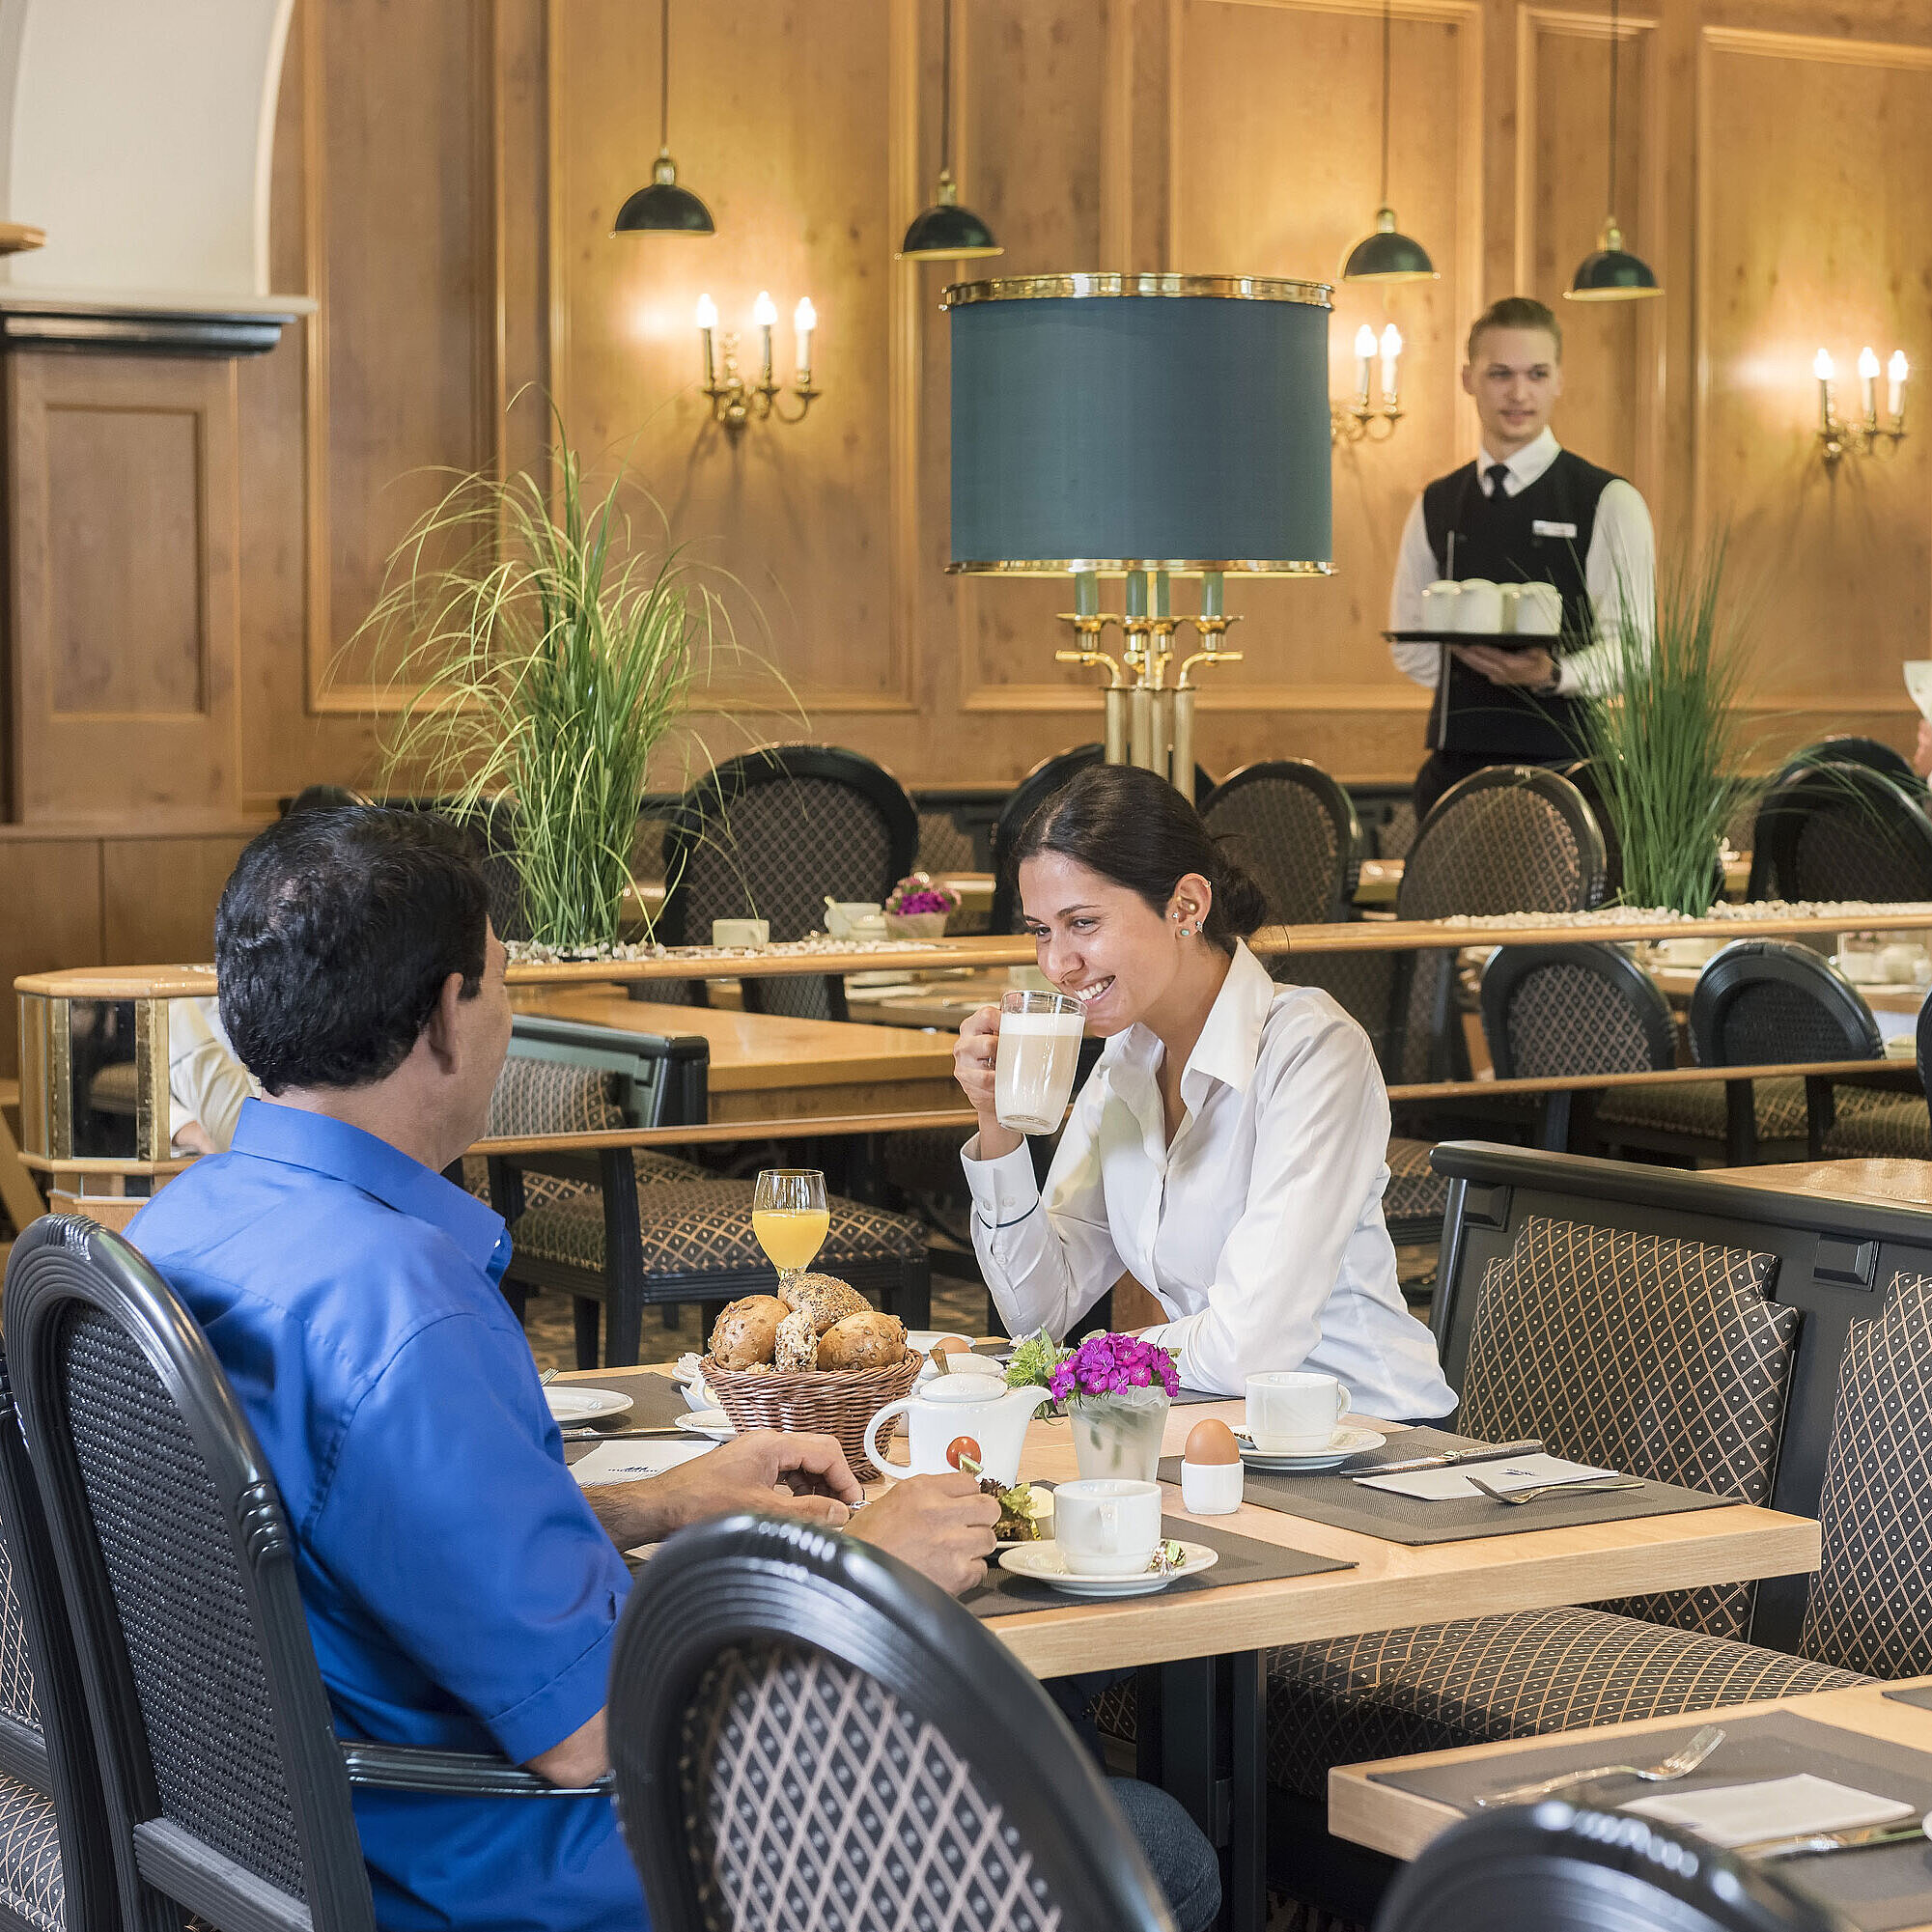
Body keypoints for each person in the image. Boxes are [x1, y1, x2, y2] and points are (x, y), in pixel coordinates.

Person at [127, 805, 1218, 1932]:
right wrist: (865, 1571)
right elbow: (592, 1737)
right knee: (1144, 1845)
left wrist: (661, 1503)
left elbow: (359, 1536)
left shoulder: (185, 1225)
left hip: (282, 1842)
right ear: (449, 1017)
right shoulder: (406, 1314)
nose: (509, 1014)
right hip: (539, 1868)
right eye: (502, 982)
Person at [953, 765, 1456, 1419]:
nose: (1056, 964)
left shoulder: (1311, 1048)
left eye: (1081, 922)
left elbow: (1247, 1347)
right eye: (1041, 930)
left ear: (1185, 906)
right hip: (1219, 1426)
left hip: (1372, 1436)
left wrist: (1079, 1366)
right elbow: (1037, 1311)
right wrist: (998, 1124)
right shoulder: (1121, 1064)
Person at [1388, 295, 1658, 821]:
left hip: (1572, 773)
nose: (1518, 393)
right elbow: (1410, 640)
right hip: (1454, 773)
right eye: (1499, 374)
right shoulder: (1436, 501)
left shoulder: (1608, 499)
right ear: (1467, 379)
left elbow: (1636, 649)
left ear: (1559, 379)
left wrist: (1553, 675)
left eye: (1536, 374)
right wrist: (1474, 676)